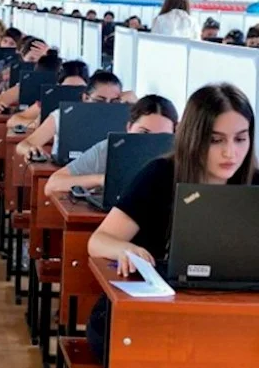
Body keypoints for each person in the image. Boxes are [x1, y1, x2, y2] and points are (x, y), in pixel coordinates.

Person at [85, 83, 258, 363]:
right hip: (144, 316)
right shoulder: (160, 175)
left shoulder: (255, 184)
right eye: (216, 140)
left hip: (224, 317)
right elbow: (98, 241)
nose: (231, 153)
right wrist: (126, 250)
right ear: (193, 137)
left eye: (240, 139)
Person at [44, 95, 179, 195]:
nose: (151, 141)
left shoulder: (179, 157)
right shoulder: (110, 149)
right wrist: (102, 179)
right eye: (143, 132)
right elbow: (52, 185)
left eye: (162, 136)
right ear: (129, 127)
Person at [16, 70, 128, 160]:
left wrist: (134, 103)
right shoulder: (62, 115)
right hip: (66, 173)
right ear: (85, 97)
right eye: (100, 100)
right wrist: (30, 150)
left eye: (114, 102)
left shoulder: (126, 120)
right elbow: (23, 145)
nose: (107, 106)